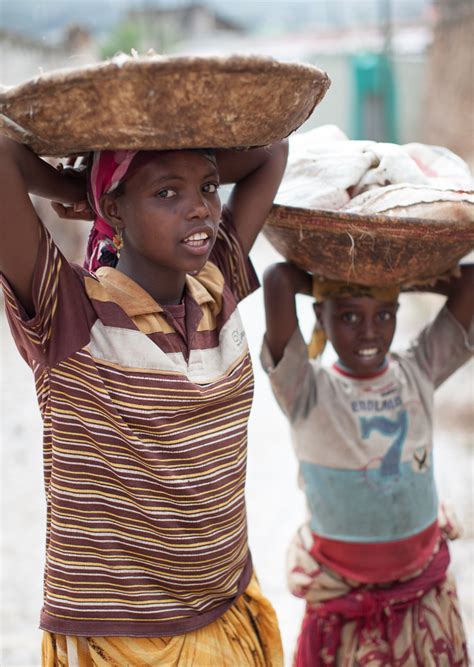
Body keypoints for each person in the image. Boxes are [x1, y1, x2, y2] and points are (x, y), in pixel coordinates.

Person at [0, 135, 288, 666]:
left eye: (206, 187)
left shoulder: (214, 287)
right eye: (166, 194)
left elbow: (273, 151)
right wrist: (79, 187)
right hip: (123, 638)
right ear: (115, 209)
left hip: (226, 607)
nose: (199, 207)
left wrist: (154, 175)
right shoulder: (71, 315)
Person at [261, 261, 473, 665]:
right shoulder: (305, 389)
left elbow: (471, 281)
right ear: (319, 315)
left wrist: (392, 279)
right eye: (348, 316)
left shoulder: (419, 369)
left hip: (422, 595)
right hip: (342, 599)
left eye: (385, 316)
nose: (369, 331)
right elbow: (278, 280)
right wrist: (338, 281)